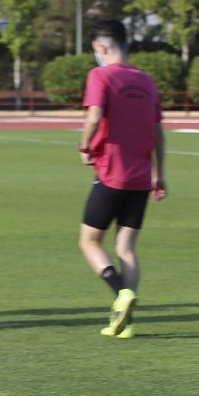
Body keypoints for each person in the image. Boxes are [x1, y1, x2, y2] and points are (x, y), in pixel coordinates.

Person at [77, 19, 166, 339]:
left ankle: (120, 294)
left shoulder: (100, 75)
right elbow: (158, 133)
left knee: (89, 241)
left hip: (111, 174)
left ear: (102, 48)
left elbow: (95, 116)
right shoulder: (147, 81)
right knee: (126, 248)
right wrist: (160, 174)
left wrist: (85, 145)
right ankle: (125, 323)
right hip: (142, 178)